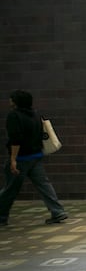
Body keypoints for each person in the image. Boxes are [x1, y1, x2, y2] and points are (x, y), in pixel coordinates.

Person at [0, 90, 68, 226]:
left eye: (11, 99)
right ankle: (57, 211)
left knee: (10, 188)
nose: (10, 101)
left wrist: (13, 159)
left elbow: (16, 138)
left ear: (16, 101)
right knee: (44, 185)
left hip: (21, 158)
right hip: (36, 157)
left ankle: (1, 216)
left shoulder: (14, 116)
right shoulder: (36, 114)